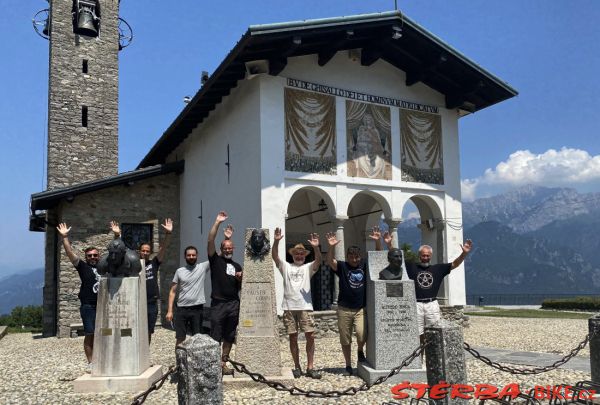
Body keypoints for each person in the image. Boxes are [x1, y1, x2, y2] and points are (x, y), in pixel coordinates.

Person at [325, 226, 388, 376]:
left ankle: (360, 350)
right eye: (351, 257)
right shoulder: (342, 266)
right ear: (347, 257)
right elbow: (329, 261)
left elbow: (379, 258)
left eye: (356, 257)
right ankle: (348, 365)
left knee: (362, 334)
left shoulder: (365, 265)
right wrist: (331, 247)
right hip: (344, 308)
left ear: (359, 257)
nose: (354, 259)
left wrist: (378, 241)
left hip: (360, 308)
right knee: (345, 338)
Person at [111, 219, 173, 343]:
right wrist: (117, 235)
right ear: (139, 252)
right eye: (143, 250)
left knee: (148, 330)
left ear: (150, 253)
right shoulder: (132, 264)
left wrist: (168, 234)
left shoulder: (154, 263)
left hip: (151, 302)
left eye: (147, 251)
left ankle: (145, 356)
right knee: (133, 329)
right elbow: (120, 250)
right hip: (135, 301)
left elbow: (163, 248)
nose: (145, 252)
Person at [272, 227, 322, 379]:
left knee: (310, 335)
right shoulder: (286, 266)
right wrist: (276, 242)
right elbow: (274, 256)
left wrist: (315, 247)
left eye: (301, 253)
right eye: (296, 253)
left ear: (304, 256)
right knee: (293, 337)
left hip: (305, 307)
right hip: (288, 306)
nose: (299, 255)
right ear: (292, 254)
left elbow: (319, 261)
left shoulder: (308, 267)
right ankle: (297, 366)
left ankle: (310, 366)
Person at [404, 240, 473, 345]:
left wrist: (464, 253)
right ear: (419, 255)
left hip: (432, 305)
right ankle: (419, 359)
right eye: (423, 255)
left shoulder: (438, 269)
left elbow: (455, 264)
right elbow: (396, 259)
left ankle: (434, 358)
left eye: (427, 255)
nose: (425, 257)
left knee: (434, 333)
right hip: (416, 304)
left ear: (431, 255)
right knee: (417, 335)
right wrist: (389, 244)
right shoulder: (411, 267)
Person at [56, 222, 101, 371]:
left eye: (95, 255)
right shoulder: (83, 266)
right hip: (88, 306)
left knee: (103, 334)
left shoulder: (104, 267)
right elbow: (70, 253)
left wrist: (116, 235)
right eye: (90, 256)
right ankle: (90, 363)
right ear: (86, 257)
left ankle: (101, 359)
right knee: (90, 334)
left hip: (102, 305)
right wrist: (64, 237)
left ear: (99, 256)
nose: (93, 257)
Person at [207, 211, 242, 376]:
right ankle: (214, 365)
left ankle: (224, 363)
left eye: (230, 247)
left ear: (233, 249)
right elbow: (210, 240)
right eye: (225, 247)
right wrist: (217, 222)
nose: (228, 249)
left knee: (229, 335)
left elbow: (241, 287)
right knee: (215, 335)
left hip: (234, 304)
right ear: (221, 249)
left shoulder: (237, 266)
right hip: (218, 304)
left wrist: (241, 279)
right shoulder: (215, 260)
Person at [165, 245, 209, 348]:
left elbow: (216, 256)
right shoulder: (179, 271)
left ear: (197, 256)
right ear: (185, 257)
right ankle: (180, 362)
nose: (191, 257)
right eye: (189, 255)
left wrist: (226, 238)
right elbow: (172, 291)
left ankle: (196, 362)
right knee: (180, 338)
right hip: (181, 309)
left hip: (197, 309)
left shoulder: (202, 267)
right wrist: (170, 311)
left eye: (193, 255)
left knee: (197, 338)